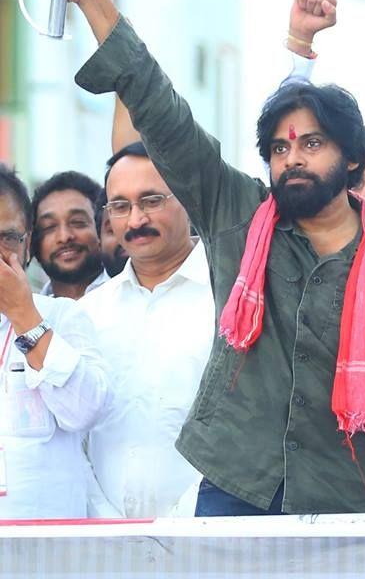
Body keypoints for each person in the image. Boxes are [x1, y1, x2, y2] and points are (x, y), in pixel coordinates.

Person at [43, 0, 365, 515]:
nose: (292, 158)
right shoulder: (239, 216)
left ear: (351, 162)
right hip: (234, 485)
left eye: (311, 145)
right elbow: (158, 106)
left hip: (344, 497)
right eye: (279, 148)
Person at [80, 142, 214, 518]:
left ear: (188, 197)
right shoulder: (89, 314)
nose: (135, 220)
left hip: (206, 536)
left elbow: (245, 431)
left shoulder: (232, 303)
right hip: (104, 545)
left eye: (151, 200)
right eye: (120, 206)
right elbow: (77, 439)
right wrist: (103, 520)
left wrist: (182, 522)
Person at [0, 163, 107, 518]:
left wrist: (25, 318)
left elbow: (85, 410)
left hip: (49, 549)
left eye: (7, 237)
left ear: (27, 242)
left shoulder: (62, 315)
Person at [30, 172, 108, 299]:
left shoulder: (130, 296)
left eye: (77, 222)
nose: (64, 237)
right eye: (49, 227)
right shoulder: (28, 311)